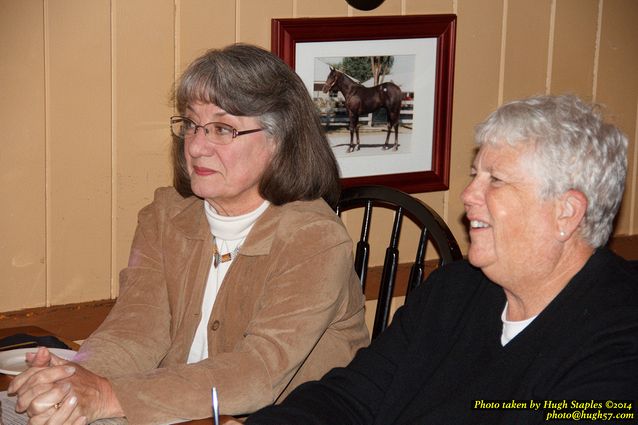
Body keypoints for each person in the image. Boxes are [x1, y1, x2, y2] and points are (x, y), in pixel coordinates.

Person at [8, 43, 369, 424]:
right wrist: (70, 381)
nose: (196, 146)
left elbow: (257, 374)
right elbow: (133, 329)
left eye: (222, 128)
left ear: (280, 140)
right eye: (192, 124)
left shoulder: (314, 239)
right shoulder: (166, 215)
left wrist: (107, 395)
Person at [241, 95, 638, 425]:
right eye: (474, 175)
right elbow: (352, 396)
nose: (468, 195)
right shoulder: (454, 291)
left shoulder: (620, 341)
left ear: (566, 213)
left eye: (495, 180)